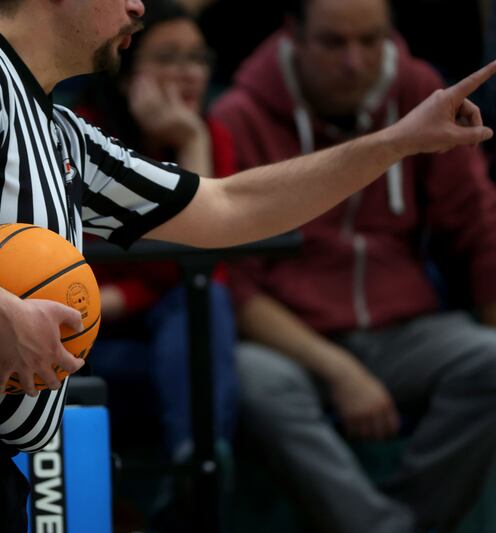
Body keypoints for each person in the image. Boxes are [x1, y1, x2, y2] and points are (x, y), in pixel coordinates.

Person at [0, 0, 496, 530]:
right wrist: (2, 312)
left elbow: (229, 208)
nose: (138, 6)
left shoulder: (59, 133)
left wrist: (395, 142)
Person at [209, 0, 496, 531]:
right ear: (293, 34)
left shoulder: (418, 92)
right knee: (251, 380)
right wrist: (341, 372)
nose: (355, 61)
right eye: (334, 43)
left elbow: (477, 225)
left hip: (406, 330)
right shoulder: (241, 115)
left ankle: (400, 522)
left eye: (371, 41)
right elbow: (236, 289)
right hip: (293, 341)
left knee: (490, 357)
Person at [74, 0, 237, 463]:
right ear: (126, 69)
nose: (189, 74)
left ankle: (197, 471)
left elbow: (208, 267)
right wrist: (145, 285)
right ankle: (198, 468)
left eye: (198, 59)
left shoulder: (210, 135)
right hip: (87, 343)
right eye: (168, 58)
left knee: (202, 304)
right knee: (196, 329)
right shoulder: (82, 136)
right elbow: (79, 276)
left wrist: (192, 144)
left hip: (171, 337)